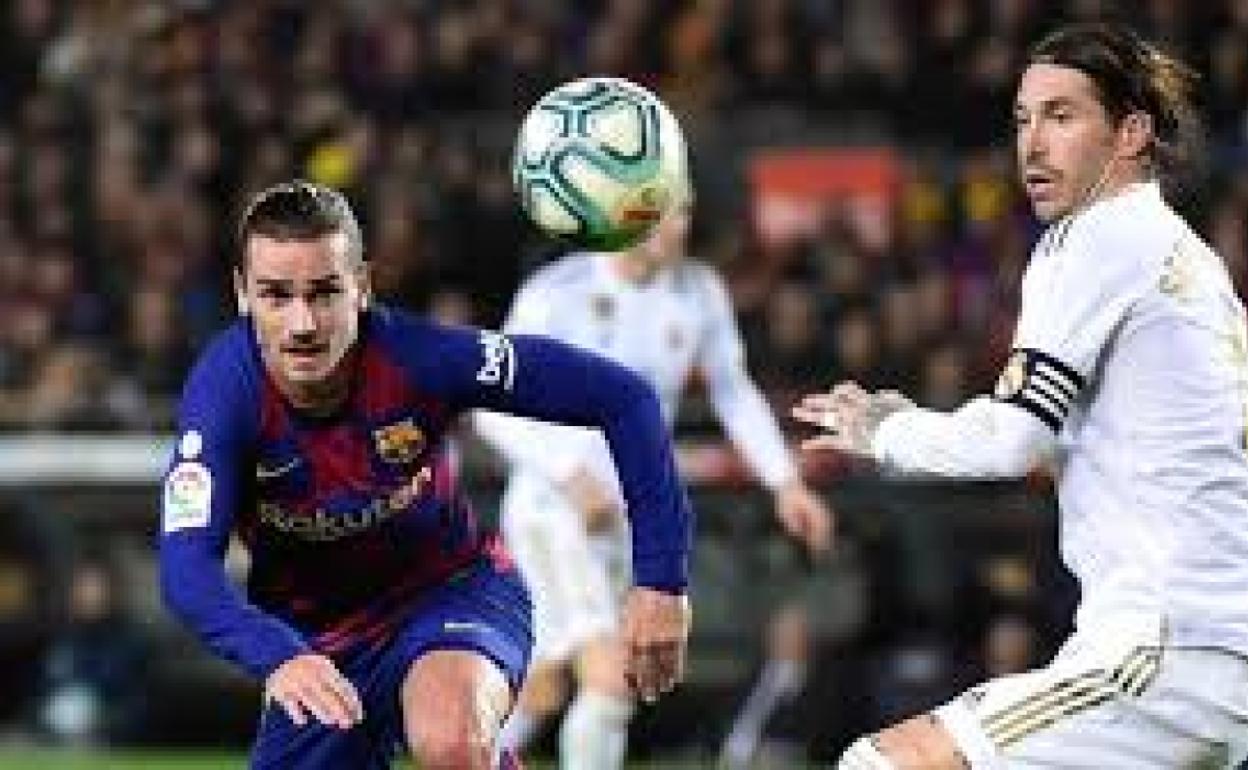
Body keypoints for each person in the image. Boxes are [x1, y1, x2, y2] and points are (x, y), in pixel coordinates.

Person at [795, 22, 1248, 770]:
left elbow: (1015, 440)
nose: (1032, 144)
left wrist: (885, 434)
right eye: (1022, 120)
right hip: (1207, 648)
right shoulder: (1187, 257)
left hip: (1167, 651)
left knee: (882, 764)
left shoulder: (1098, 238)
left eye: (1062, 116)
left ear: (1131, 132)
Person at [158, 180, 695, 770]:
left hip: (451, 591)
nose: (303, 322)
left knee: (450, 738)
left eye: (325, 292)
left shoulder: (423, 359)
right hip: (317, 643)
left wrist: (661, 581)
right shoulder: (222, 396)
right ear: (242, 295)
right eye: (276, 295)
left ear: (361, 286)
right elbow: (186, 570)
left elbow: (625, 399)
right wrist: (279, 656)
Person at [474, 200, 832, 770]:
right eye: (664, 213)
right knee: (613, 675)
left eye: (686, 211)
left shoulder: (698, 291)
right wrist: (570, 473)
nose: (681, 226)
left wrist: (786, 482)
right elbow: (490, 406)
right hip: (554, 512)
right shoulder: (557, 293)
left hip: (623, 518)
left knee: (543, 685)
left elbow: (733, 393)